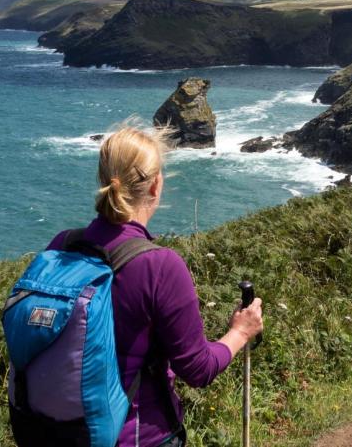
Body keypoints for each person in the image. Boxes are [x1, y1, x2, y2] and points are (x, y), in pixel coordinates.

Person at [42, 121, 264, 446]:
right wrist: (240, 332)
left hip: (57, 434)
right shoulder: (159, 265)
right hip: (139, 436)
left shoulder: (62, 245)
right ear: (156, 186)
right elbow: (198, 369)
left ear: (104, 180)